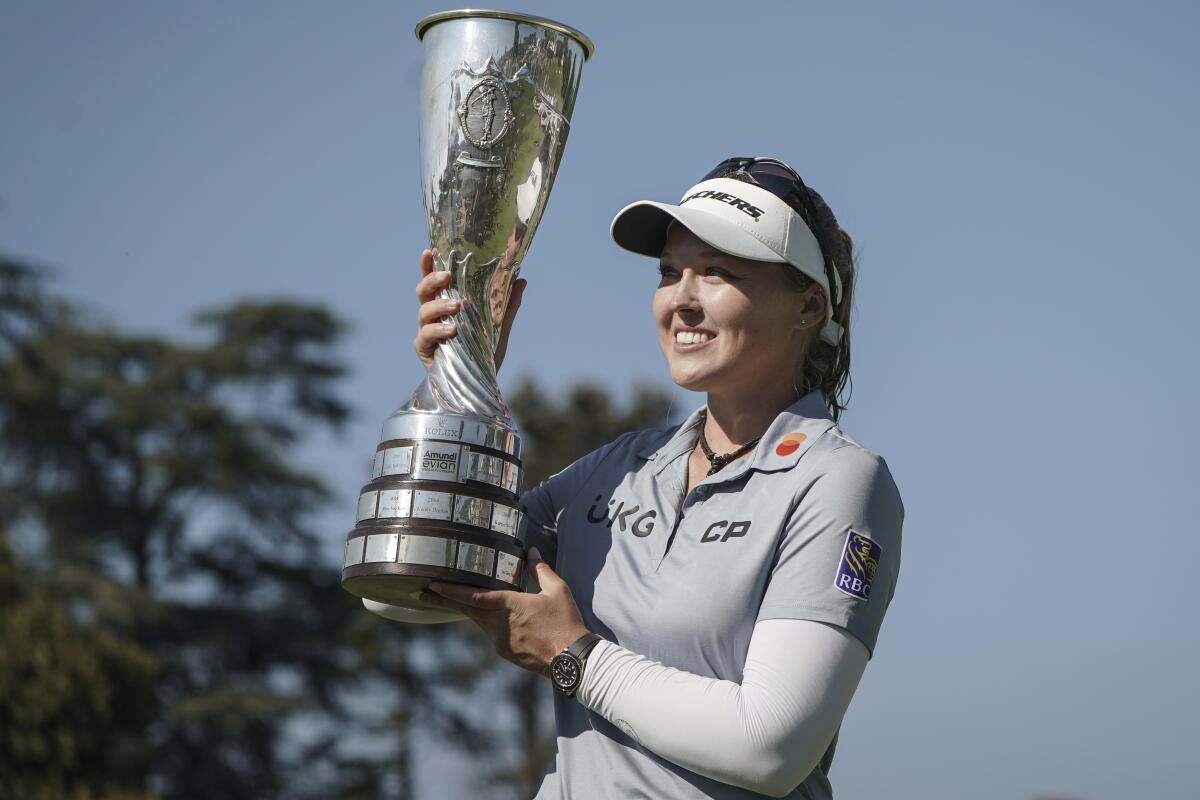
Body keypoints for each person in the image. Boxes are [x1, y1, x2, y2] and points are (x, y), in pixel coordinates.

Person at [377, 157, 903, 799]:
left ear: (808, 307)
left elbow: (772, 747)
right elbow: (405, 582)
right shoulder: (619, 468)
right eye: (669, 272)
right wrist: (457, 385)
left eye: (718, 272)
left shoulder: (838, 478)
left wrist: (573, 656)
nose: (682, 298)